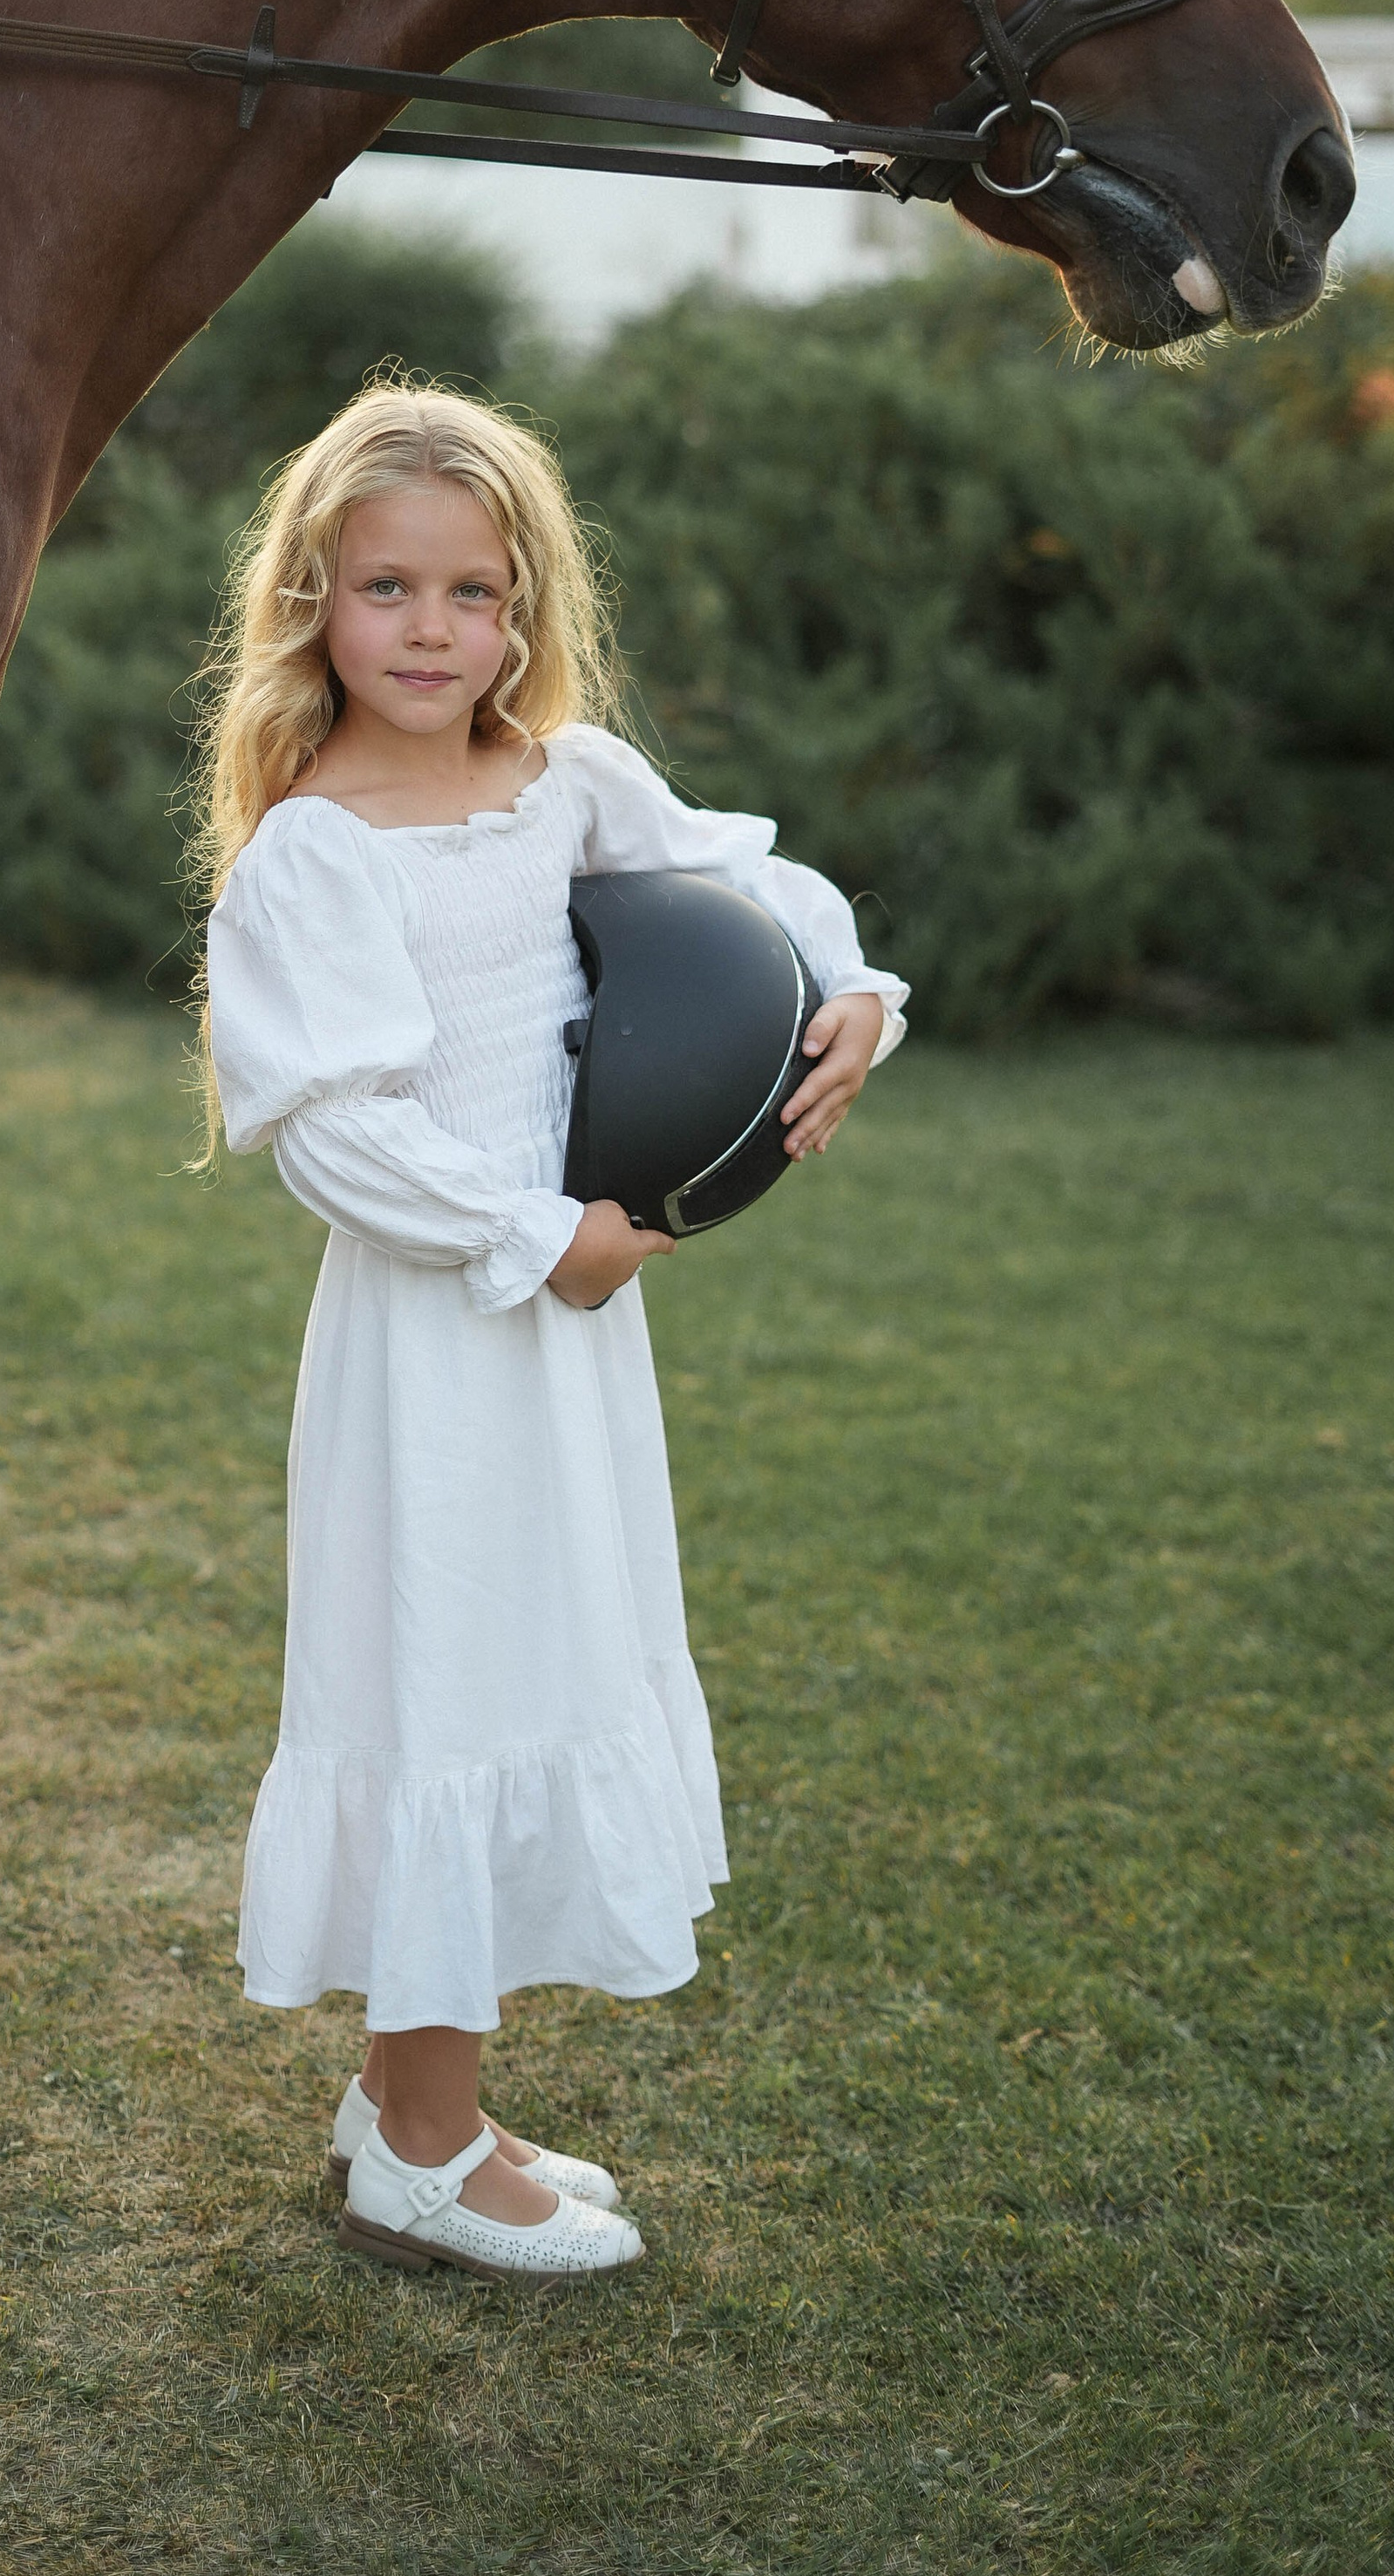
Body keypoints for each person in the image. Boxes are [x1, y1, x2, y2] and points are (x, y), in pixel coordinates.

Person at [197, 384, 907, 2285]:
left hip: (571, 1324)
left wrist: (849, 991)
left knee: (528, 1666)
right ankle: (418, 2157)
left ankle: (414, 2102)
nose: (432, 633)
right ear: (311, 603)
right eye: (387, 590)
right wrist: (539, 1236)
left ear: (521, 611)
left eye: (474, 594)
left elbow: (750, 886)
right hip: (445, 1335)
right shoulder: (310, 855)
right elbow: (339, 1134)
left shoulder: (564, 781)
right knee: (443, 1683)